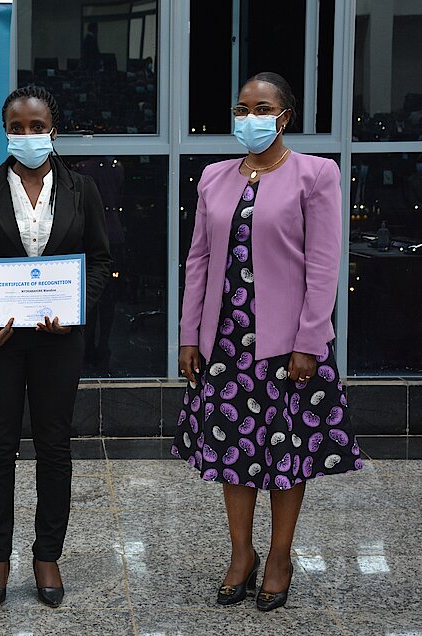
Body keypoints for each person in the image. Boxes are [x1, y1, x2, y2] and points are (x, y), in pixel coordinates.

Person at [173, 72, 362, 612]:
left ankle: (279, 557)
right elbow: (198, 261)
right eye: (242, 108)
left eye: (261, 108)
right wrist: (189, 335)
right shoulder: (214, 177)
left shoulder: (316, 174)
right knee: (232, 451)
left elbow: (323, 265)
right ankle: (242, 554)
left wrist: (311, 341)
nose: (249, 118)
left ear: (284, 117)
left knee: (285, 455)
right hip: (225, 343)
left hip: (287, 345)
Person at [0, 86, 111, 608]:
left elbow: (100, 259)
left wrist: (75, 312)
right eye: (16, 127)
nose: (27, 135)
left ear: (53, 130)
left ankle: (48, 555)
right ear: (5, 132)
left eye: (36, 126)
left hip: (59, 342)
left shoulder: (82, 188)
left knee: (54, 447)